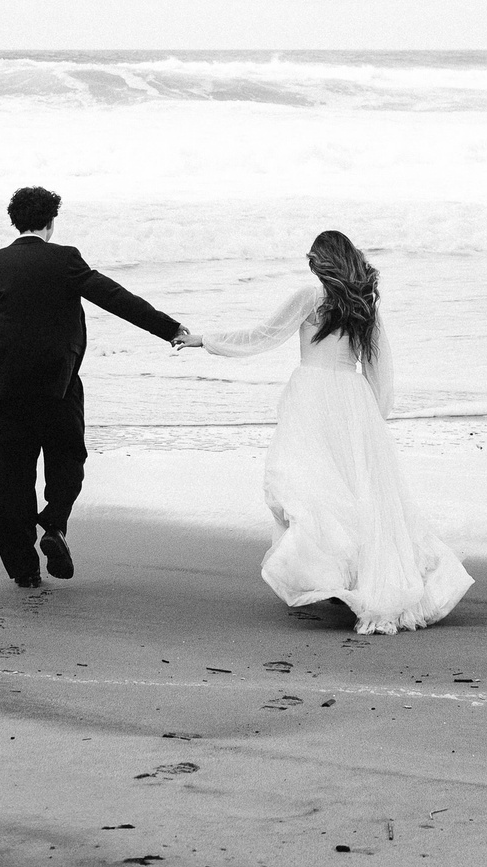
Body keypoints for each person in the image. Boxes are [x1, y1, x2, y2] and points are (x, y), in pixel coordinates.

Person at [175, 230, 470, 632]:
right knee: (355, 492)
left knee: (304, 486)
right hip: (353, 400)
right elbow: (380, 367)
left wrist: (204, 340)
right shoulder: (364, 304)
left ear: (322, 261)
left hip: (312, 396)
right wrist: (373, 417)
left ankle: (331, 575)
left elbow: (263, 335)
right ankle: (347, 576)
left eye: (312, 258)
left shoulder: (310, 298)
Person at [0, 186, 186, 587]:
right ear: (51, 221)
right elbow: (114, 297)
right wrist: (168, 328)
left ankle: (24, 571)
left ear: (15, 221)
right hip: (57, 385)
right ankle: (54, 523)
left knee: (12, 474)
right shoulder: (65, 259)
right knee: (68, 459)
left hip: (5, 389)